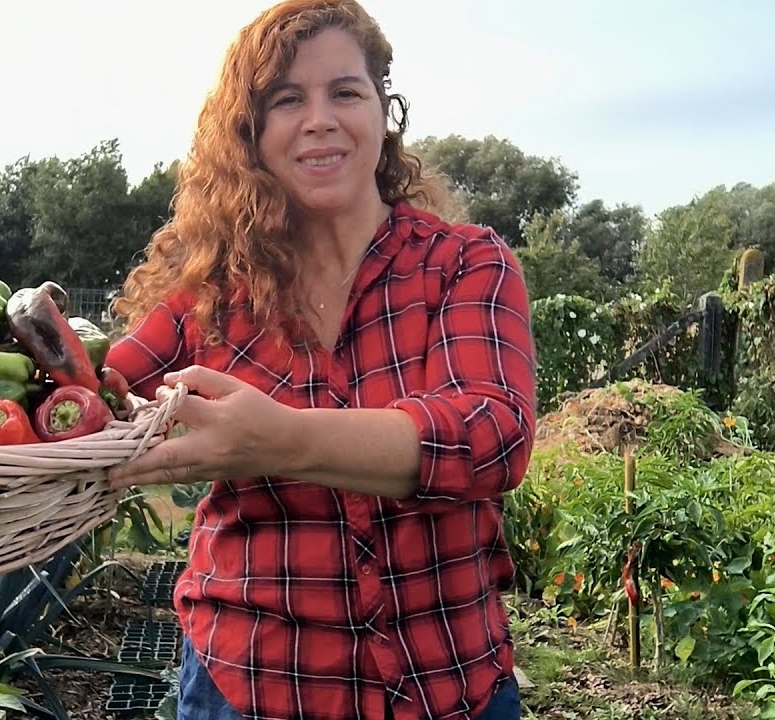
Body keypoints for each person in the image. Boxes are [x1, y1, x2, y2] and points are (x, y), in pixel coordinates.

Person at [103, 1, 536, 717]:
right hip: (250, 682)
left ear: (383, 112)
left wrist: (277, 440)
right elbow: (90, 397)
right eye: (286, 100)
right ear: (253, 134)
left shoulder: (464, 264)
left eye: (345, 91)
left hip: (446, 681)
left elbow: (490, 436)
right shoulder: (206, 298)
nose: (319, 119)